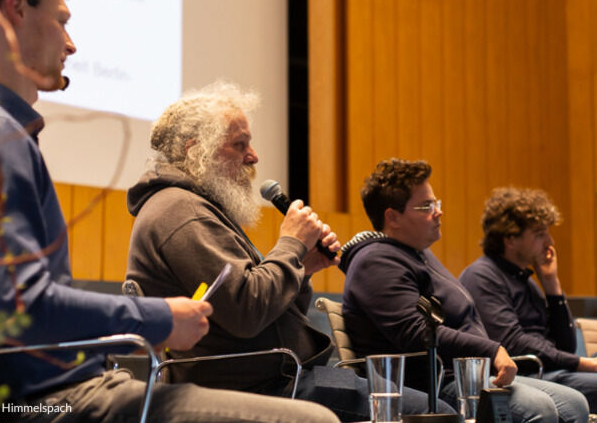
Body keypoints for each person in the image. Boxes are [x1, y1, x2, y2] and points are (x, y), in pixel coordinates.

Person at [0, 0, 336, 422]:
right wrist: (159, 318)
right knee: (311, 420)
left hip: (43, 386)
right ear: (16, 9)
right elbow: (20, 307)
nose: (71, 45)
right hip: (39, 398)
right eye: (62, 21)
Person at [125, 86, 451, 421]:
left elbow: (268, 313)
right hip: (256, 386)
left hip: (283, 375)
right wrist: (292, 244)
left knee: (421, 402)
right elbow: (246, 312)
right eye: (239, 145)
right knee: (433, 412)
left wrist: (302, 269)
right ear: (195, 151)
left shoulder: (195, 208)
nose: (253, 156)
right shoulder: (181, 212)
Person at [341, 158, 589, 423]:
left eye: (436, 204)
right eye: (426, 206)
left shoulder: (418, 254)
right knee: (538, 409)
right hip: (436, 385)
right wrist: (492, 350)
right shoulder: (376, 261)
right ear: (393, 217)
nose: (438, 212)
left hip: (469, 375)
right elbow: (416, 333)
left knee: (575, 404)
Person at [460, 187, 597, 420]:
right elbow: (513, 344)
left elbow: (564, 345)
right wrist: (584, 364)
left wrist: (552, 285)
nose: (549, 242)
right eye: (539, 234)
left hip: (554, 367)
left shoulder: (527, 280)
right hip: (530, 374)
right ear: (510, 238)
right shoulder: (482, 276)